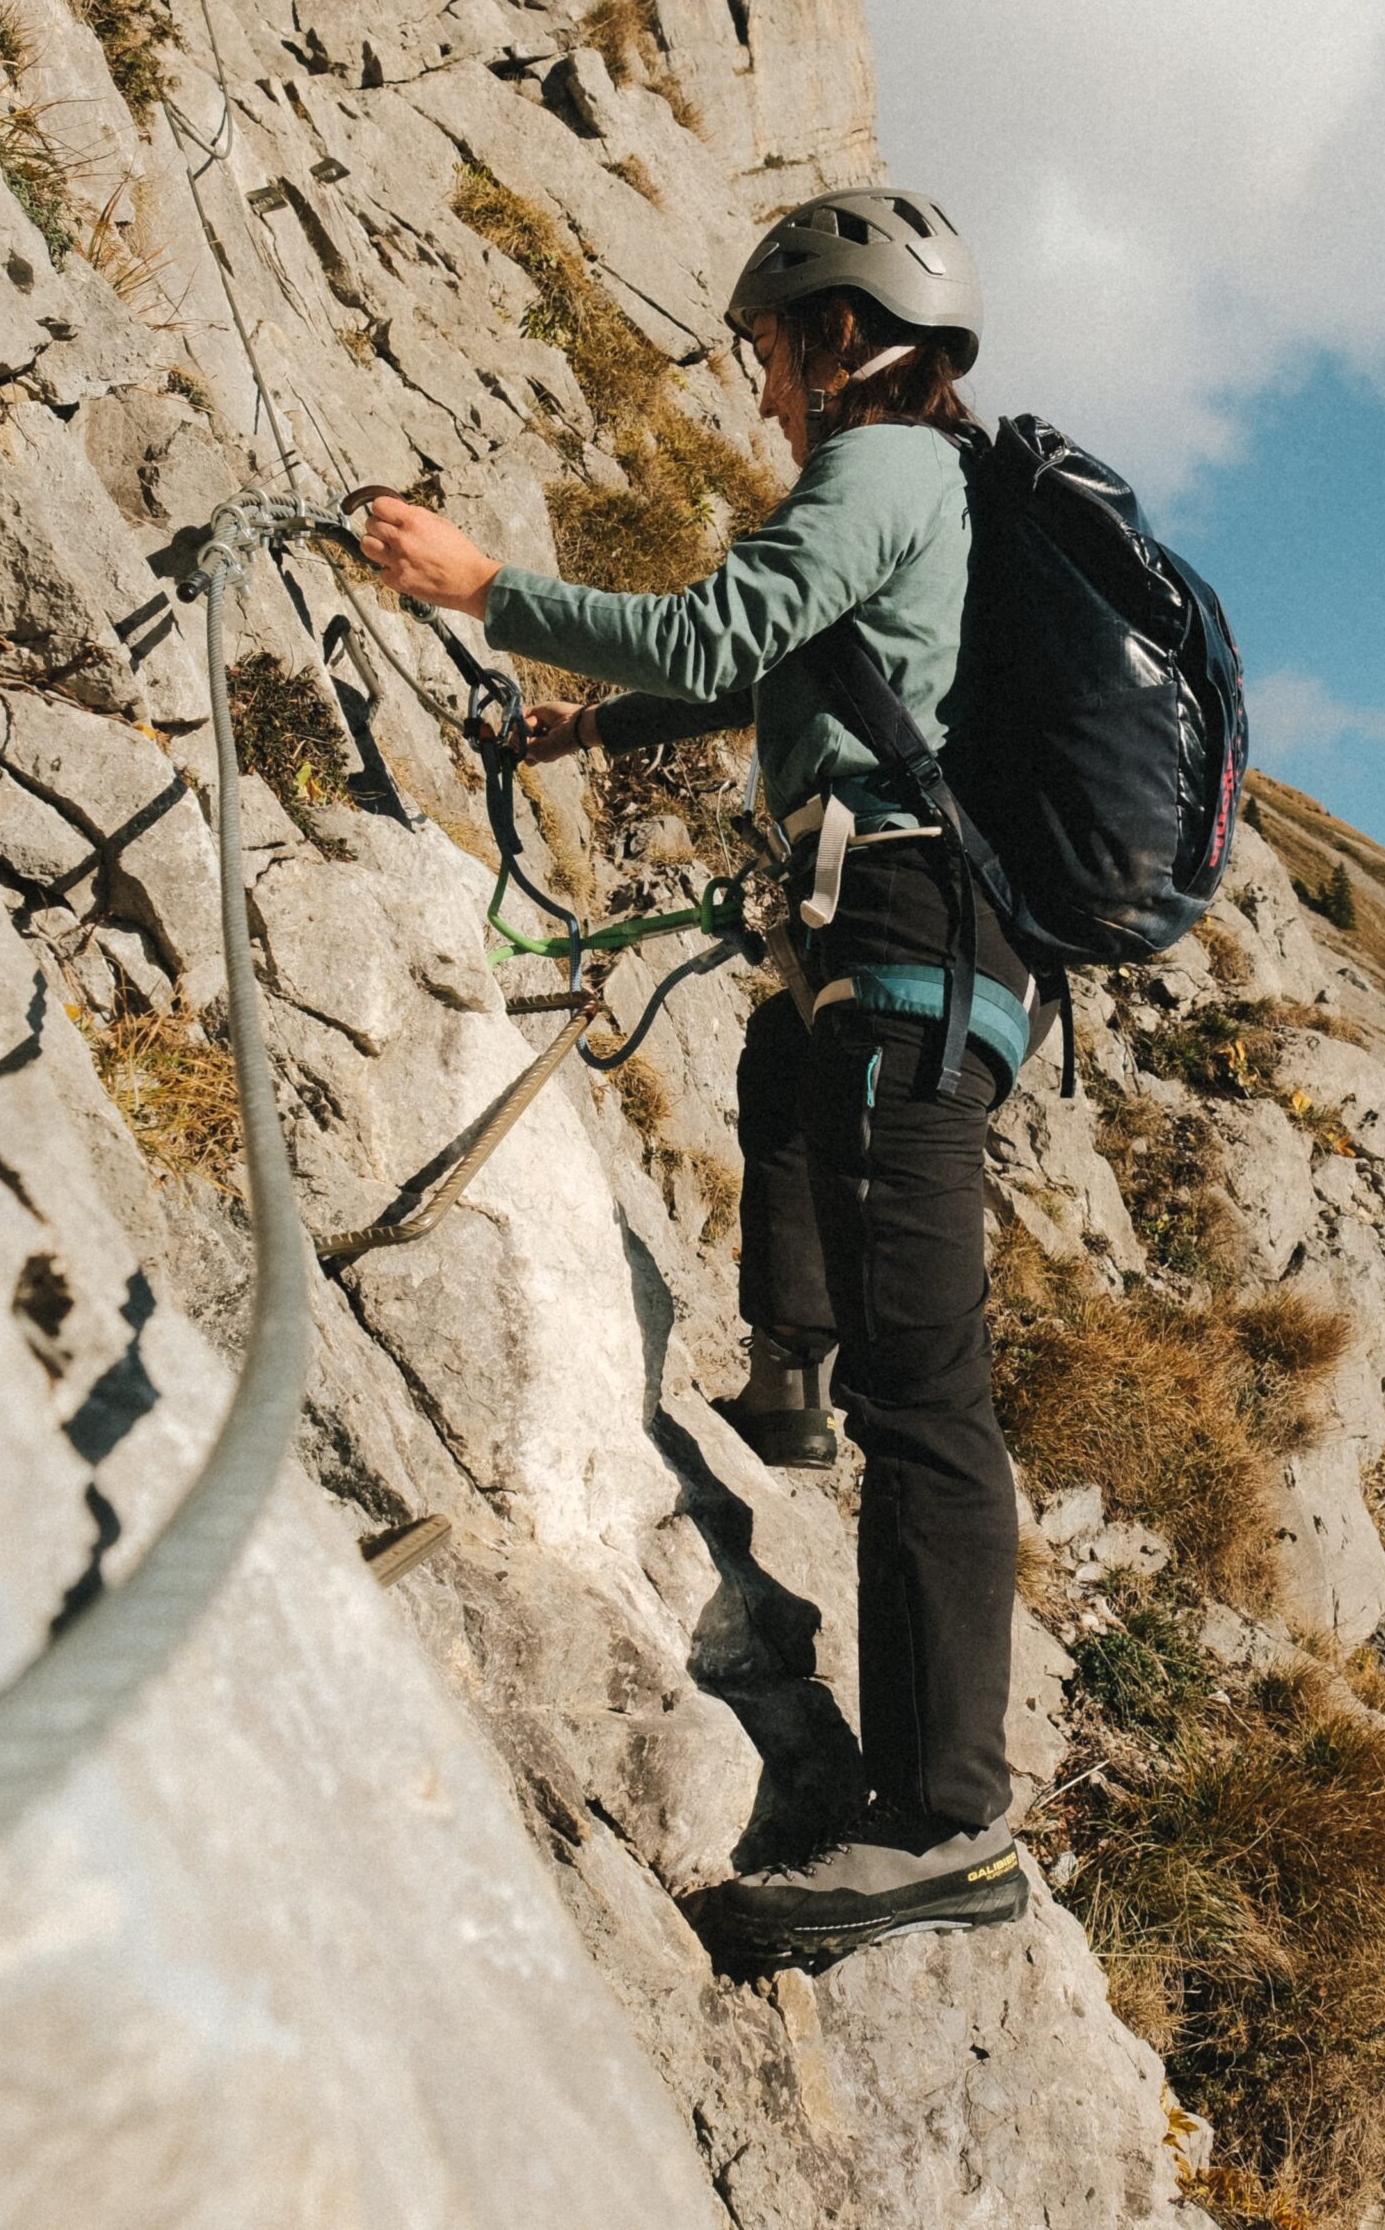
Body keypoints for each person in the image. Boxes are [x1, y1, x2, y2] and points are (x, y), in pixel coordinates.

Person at [356, 188, 1031, 1963]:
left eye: (767, 355)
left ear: (837, 336)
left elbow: (730, 630)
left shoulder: (884, 470)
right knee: (774, 1088)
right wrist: (584, 720)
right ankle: (788, 1383)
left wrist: (491, 589)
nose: (760, 397)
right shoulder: (920, 490)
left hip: (903, 943)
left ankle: (949, 1820)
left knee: (933, 1396)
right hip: (886, 947)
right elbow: (799, 662)